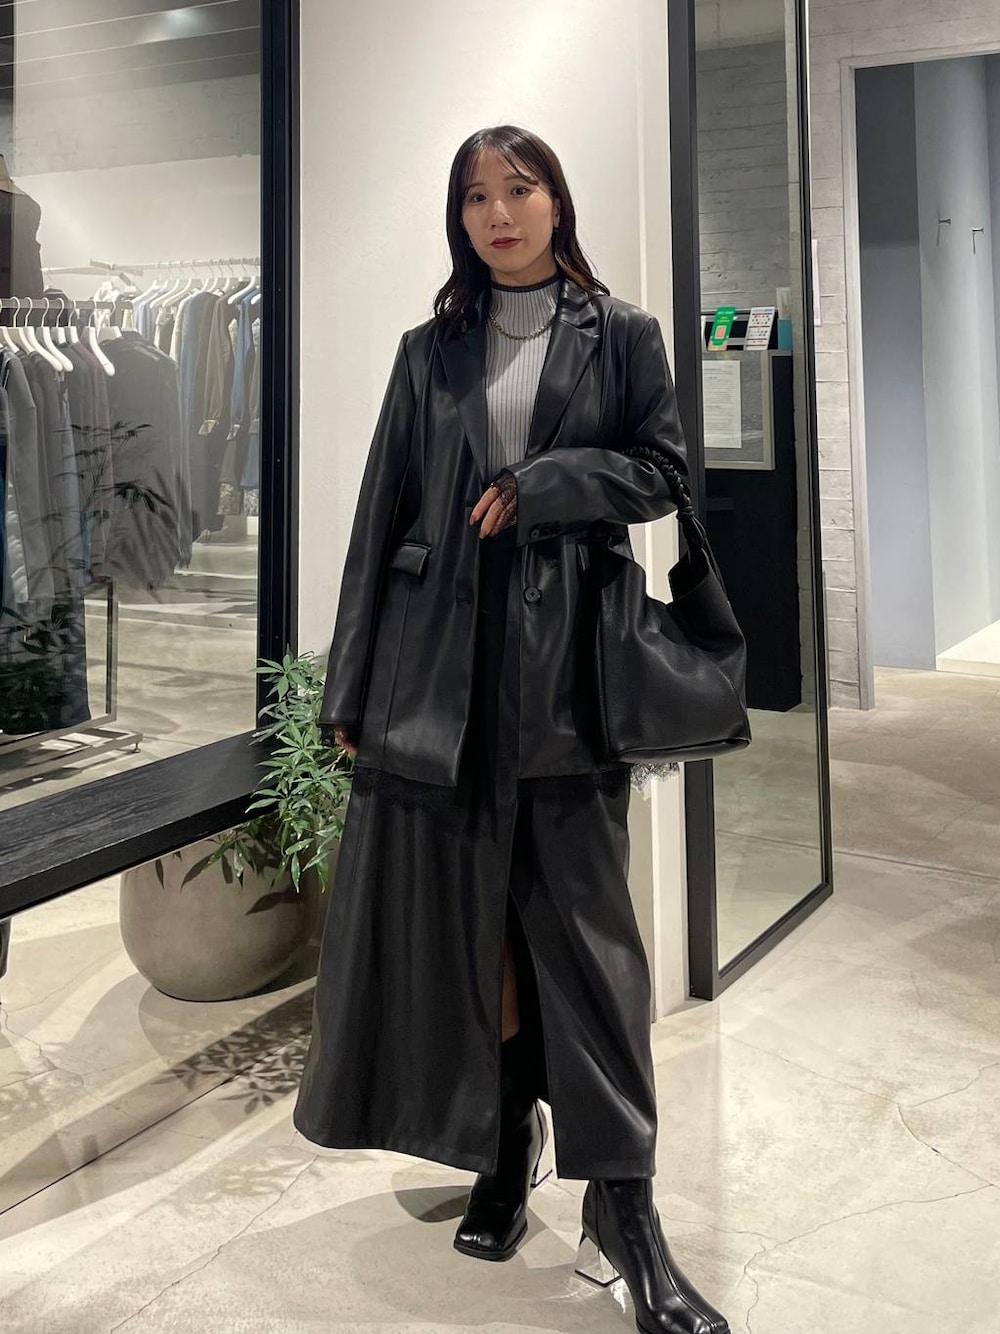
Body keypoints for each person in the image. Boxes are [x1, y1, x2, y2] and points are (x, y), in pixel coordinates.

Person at [293, 125, 730, 1334]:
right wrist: (349, 690)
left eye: (518, 188)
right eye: (475, 196)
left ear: (555, 201)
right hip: (438, 678)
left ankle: (626, 1208)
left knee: (591, 947)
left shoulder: (621, 333)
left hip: (570, 679)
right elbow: (381, 513)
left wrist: (549, 485)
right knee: (472, 935)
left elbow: (662, 474)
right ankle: (500, 1147)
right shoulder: (427, 349)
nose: (497, 212)